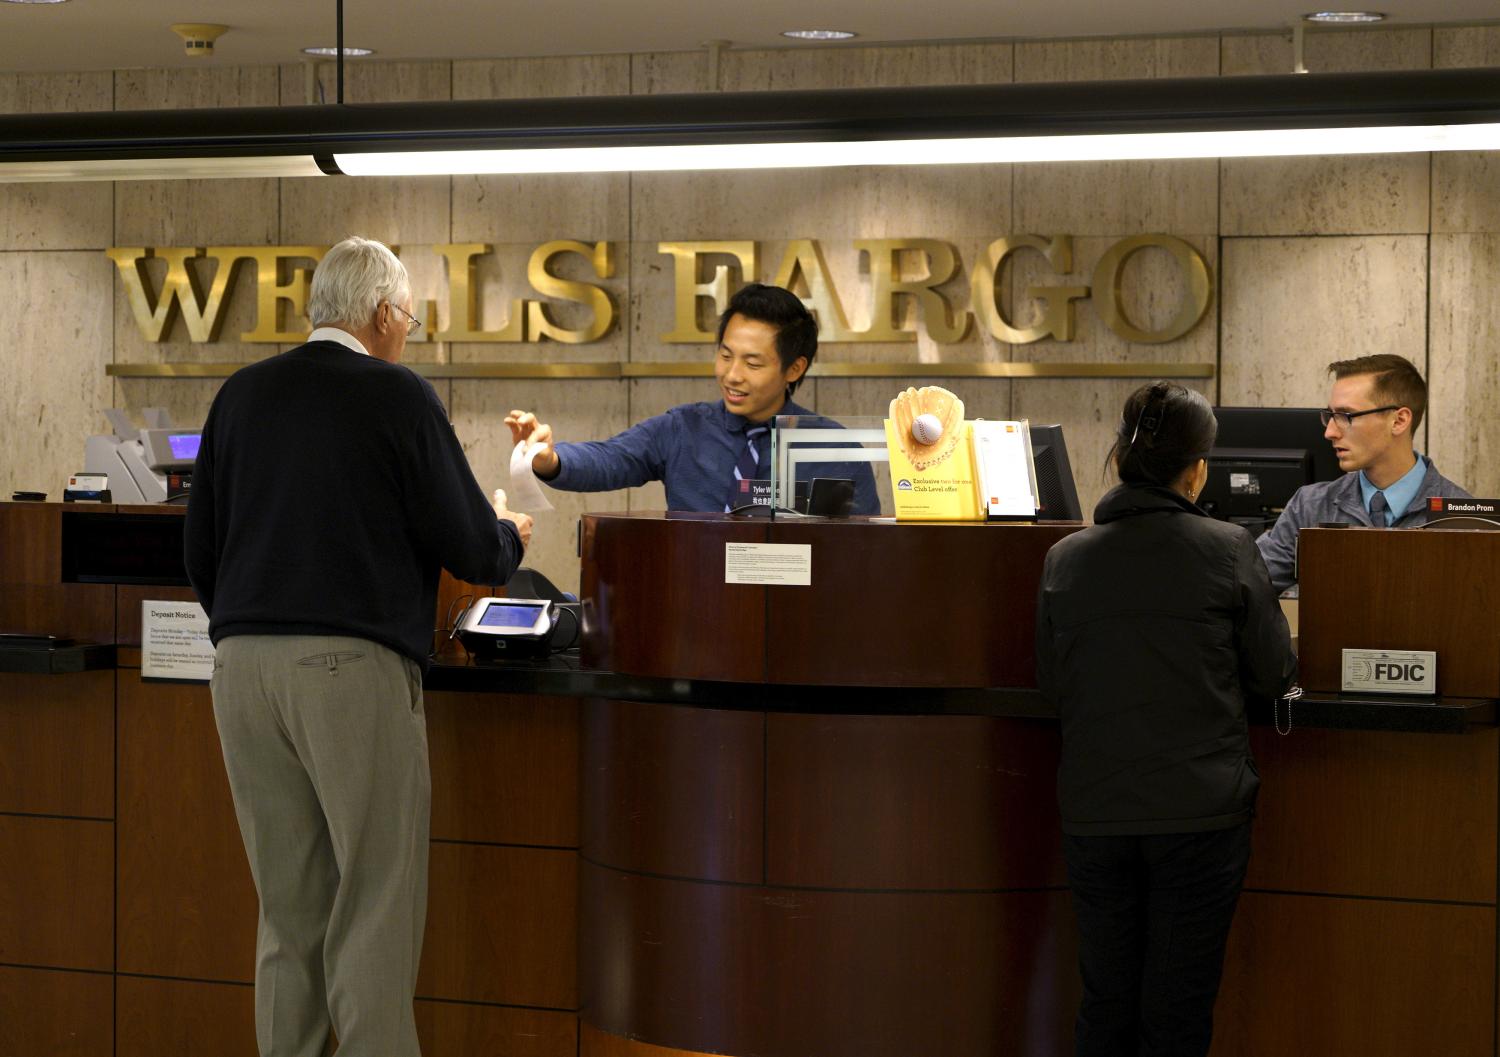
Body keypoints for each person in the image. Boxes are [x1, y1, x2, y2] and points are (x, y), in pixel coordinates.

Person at [184, 236, 532, 1057]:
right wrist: (511, 534)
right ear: (382, 313)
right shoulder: (398, 395)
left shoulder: (240, 395)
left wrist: (253, 625)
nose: (406, 333)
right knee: (375, 906)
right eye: (407, 319)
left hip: (239, 668)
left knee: (288, 910)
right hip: (348, 667)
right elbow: (472, 549)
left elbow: (199, 549)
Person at [1035, 381, 1296, 1057]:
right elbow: (1274, 674)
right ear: (1197, 468)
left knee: (1106, 1001)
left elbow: (1052, 685)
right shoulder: (1228, 548)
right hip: (1198, 814)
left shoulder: (1064, 558)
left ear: (1119, 456)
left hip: (1097, 812)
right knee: (1175, 1011)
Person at [505, 282, 878, 514]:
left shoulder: (833, 448)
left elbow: (864, 551)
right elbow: (611, 458)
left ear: (794, 369)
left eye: (752, 363)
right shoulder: (684, 428)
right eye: (726, 355)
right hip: (694, 607)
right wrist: (551, 458)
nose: (732, 375)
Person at [1256, 354, 1471, 593]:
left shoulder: (1463, 520)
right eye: (1330, 415)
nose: (1329, 432)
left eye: (1345, 416)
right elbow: (1247, 588)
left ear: (1399, 421)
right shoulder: (1310, 506)